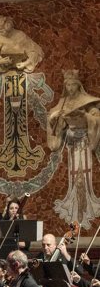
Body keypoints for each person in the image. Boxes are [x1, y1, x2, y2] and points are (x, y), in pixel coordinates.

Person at [47, 69, 100, 228]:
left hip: (84, 142)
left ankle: (87, 205)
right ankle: (74, 205)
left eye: (72, 85)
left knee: (84, 174)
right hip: (71, 143)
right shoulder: (63, 102)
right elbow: (54, 123)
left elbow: (95, 117)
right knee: (74, 173)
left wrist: (87, 116)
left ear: (78, 85)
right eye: (67, 85)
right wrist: (55, 117)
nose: (70, 88)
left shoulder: (86, 100)